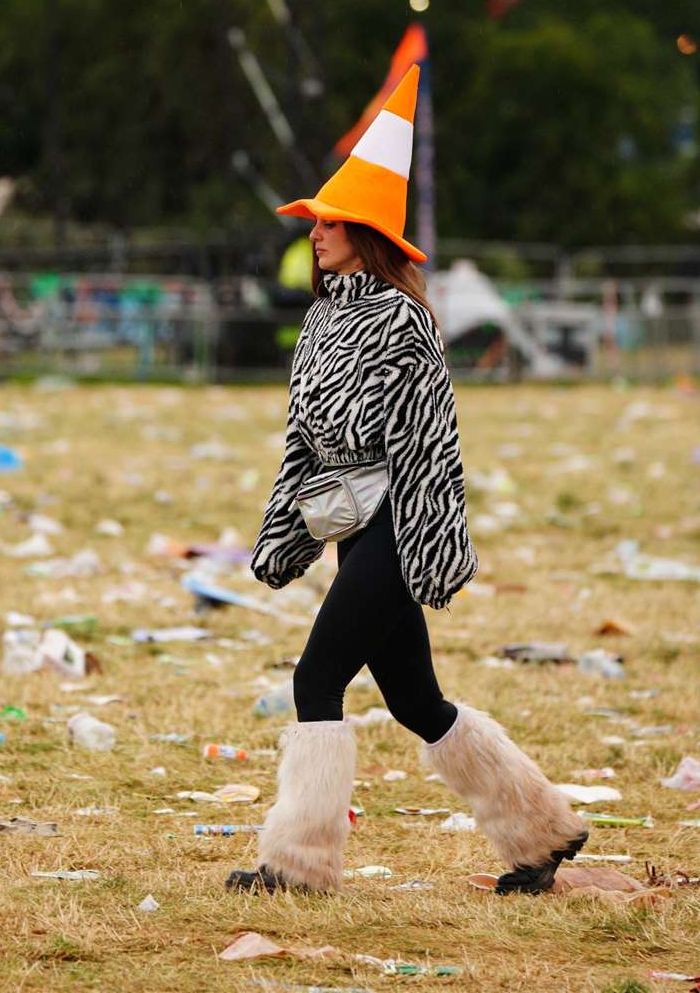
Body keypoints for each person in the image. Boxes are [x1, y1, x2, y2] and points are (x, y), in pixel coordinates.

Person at [227, 65, 587, 896]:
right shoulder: (320, 319)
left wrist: (429, 551)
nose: (315, 232)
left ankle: (299, 866)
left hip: (397, 529)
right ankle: (542, 835)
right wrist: (283, 532)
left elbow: (433, 447)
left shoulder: (401, 320)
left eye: (331, 221)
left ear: (367, 232)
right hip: (348, 529)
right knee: (416, 702)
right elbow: (302, 443)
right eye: (314, 220)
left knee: (315, 679)